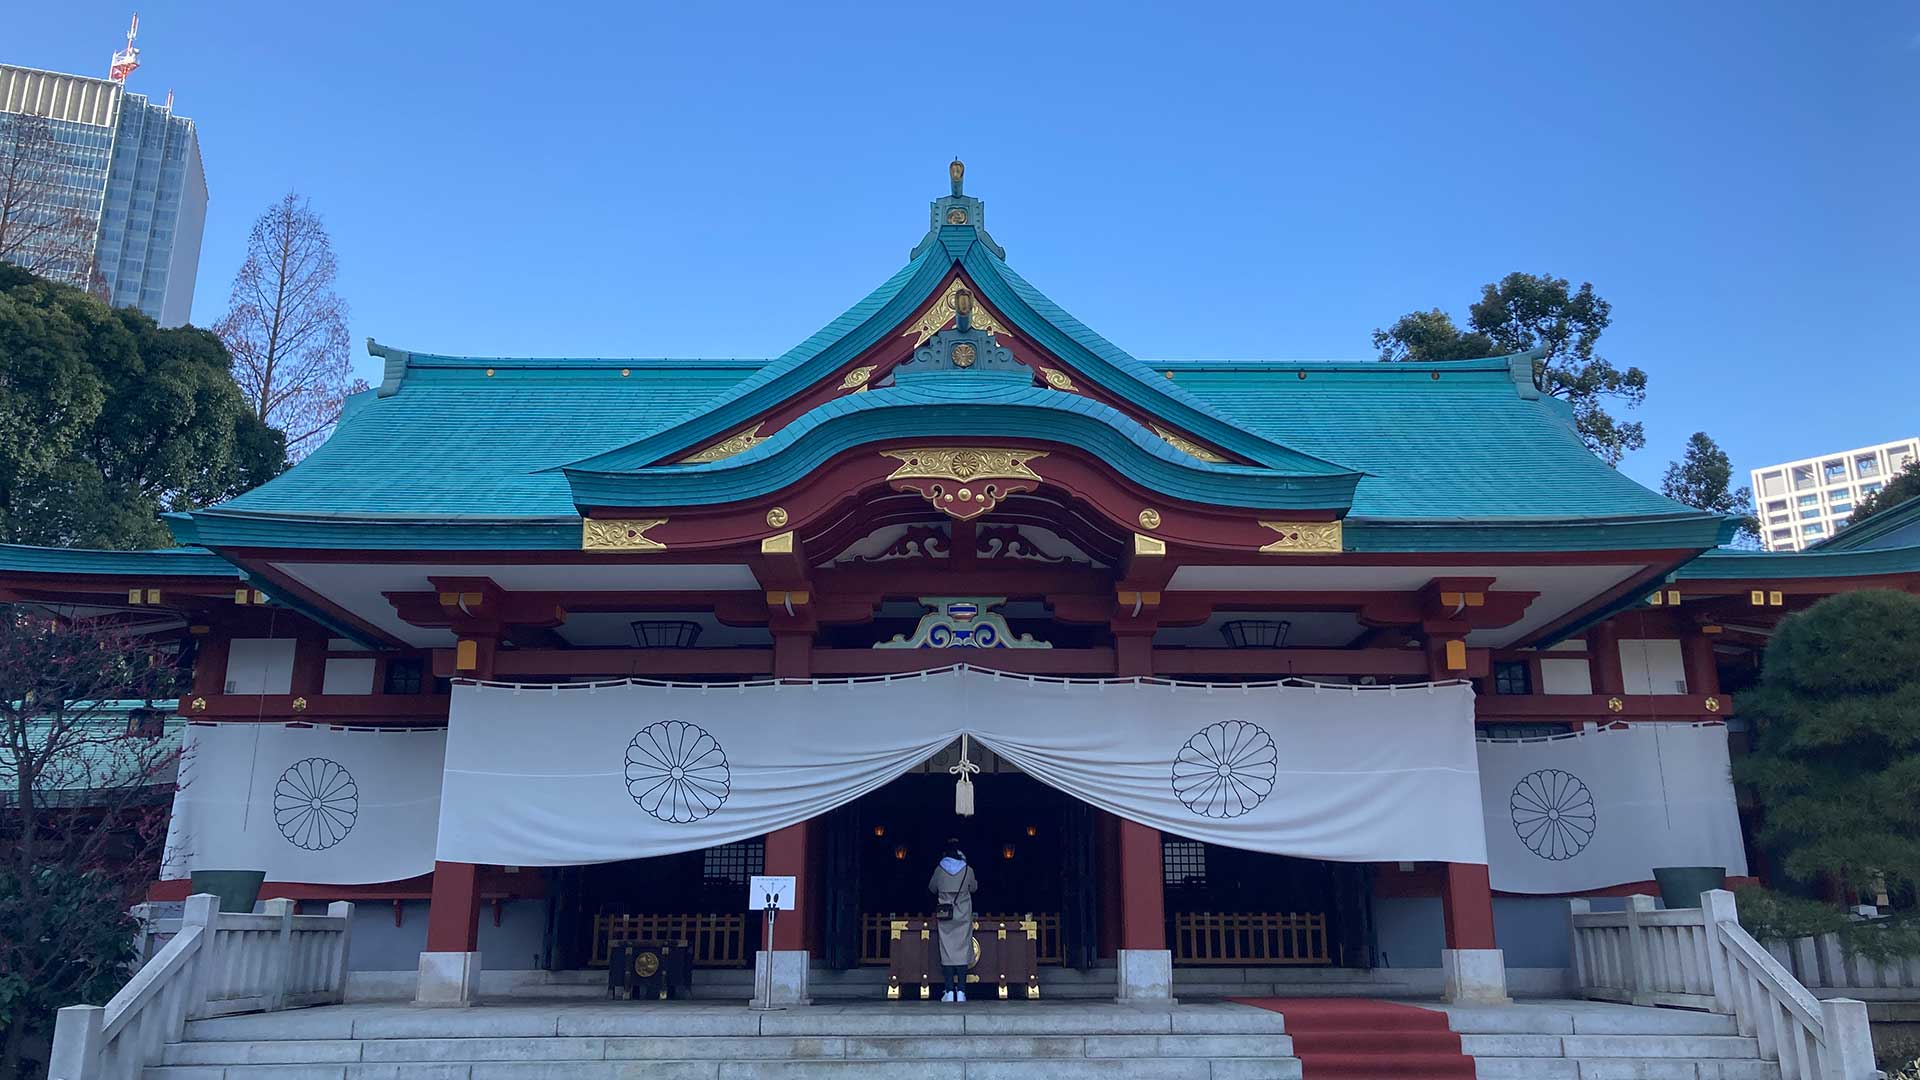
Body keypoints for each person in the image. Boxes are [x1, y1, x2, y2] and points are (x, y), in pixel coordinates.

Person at [927, 839, 978, 1002]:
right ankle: (961, 991)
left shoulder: (939, 870)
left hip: (945, 915)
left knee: (947, 951)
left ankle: (949, 990)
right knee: (963, 951)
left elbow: (932, 888)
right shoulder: (967, 870)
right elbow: (974, 888)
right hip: (963, 914)